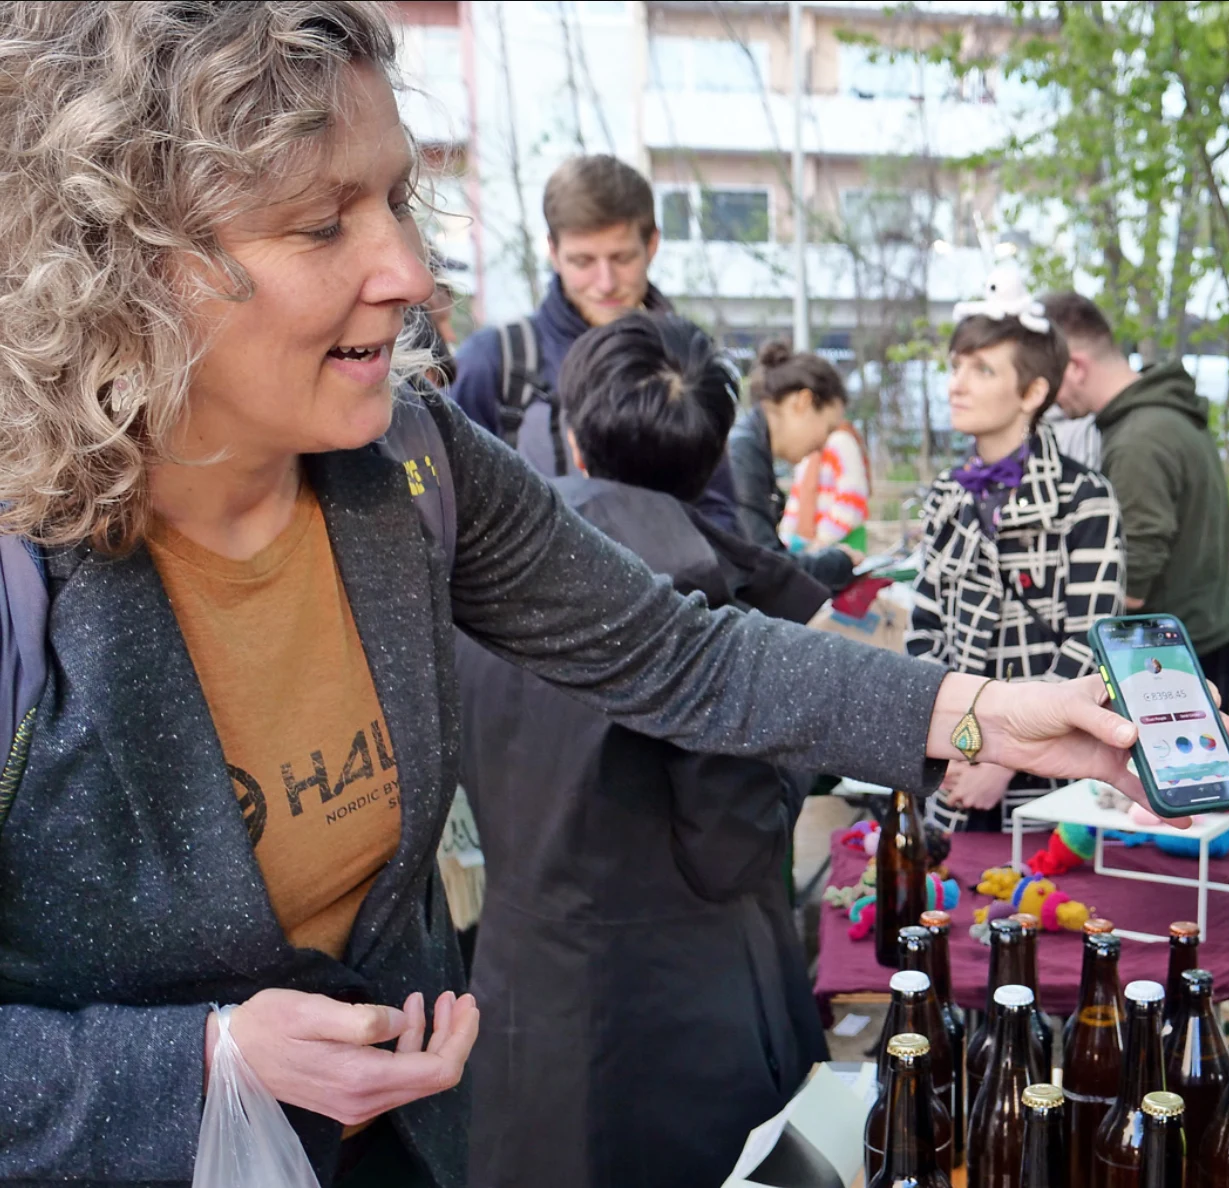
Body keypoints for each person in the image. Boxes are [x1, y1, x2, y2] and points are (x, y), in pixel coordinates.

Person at [0, 6, 1159, 1184]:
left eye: (396, 199)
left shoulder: (409, 465)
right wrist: (197, 1064)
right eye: (318, 225)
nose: (406, 271)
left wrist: (967, 710)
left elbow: (677, 653)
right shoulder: (25, 571)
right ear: (121, 263)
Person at [456, 313, 830, 1187]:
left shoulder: (482, 573)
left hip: (520, 989)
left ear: (575, 438)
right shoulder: (699, 598)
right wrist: (800, 754)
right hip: (677, 1017)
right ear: (710, 459)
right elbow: (731, 844)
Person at [907, 288, 1125, 831]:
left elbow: (1091, 640)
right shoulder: (946, 495)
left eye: (981, 370)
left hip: (1047, 785)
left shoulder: (1084, 498)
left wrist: (1003, 752)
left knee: (1041, 908)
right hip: (951, 767)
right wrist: (950, 740)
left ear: (1032, 391)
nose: (956, 384)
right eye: (956, 366)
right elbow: (925, 628)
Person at [444, 152, 738, 527]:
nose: (605, 283)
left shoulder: (686, 361)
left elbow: (723, 516)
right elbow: (451, 514)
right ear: (553, 252)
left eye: (621, 258)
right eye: (583, 261)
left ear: (652, 245)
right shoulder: (493, 362)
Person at [1043, 292, 1229, 709]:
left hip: (1172, 654)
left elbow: (1134, 575)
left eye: (1049, 378)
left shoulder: (1138, 439)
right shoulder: (1161, 413)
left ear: (1076, 367)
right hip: (1204, 633)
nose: (1050, 398)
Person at [728, 343, 860, 592]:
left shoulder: (751, 449)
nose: (823, 444)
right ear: (804, 402)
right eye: (829, 428)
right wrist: (838, 562)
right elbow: (763, 566)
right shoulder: (742, 455)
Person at [780, 420, 872, 554]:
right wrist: (785, 538)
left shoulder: (841, 441)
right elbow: (796, 499)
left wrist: (820, 541)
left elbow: (852, 502)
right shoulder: (807, 450)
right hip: (811, 547)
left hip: (843, 545)